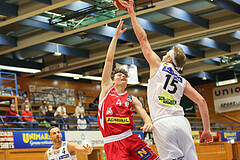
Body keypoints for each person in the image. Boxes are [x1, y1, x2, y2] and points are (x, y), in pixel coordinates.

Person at [122, 1, 213, 159]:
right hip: (181, 121)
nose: (164, 55)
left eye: (166, 54)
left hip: (163, 122)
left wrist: (132, 13)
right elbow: (202, 102)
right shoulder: (183, 81)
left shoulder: (158, 65)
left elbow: (143, 40)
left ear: (169, 58)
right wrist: (206, 130)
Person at [97, 19, 160, 160]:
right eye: (119, 75)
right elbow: (109, 60)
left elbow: (143, 112)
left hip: (130, 137)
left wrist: (148, 121)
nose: (122, 77)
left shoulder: (132, 98)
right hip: (113, 141)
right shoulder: (107, 89)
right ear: (113, 81)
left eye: (124, 76)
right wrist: (115, 37)